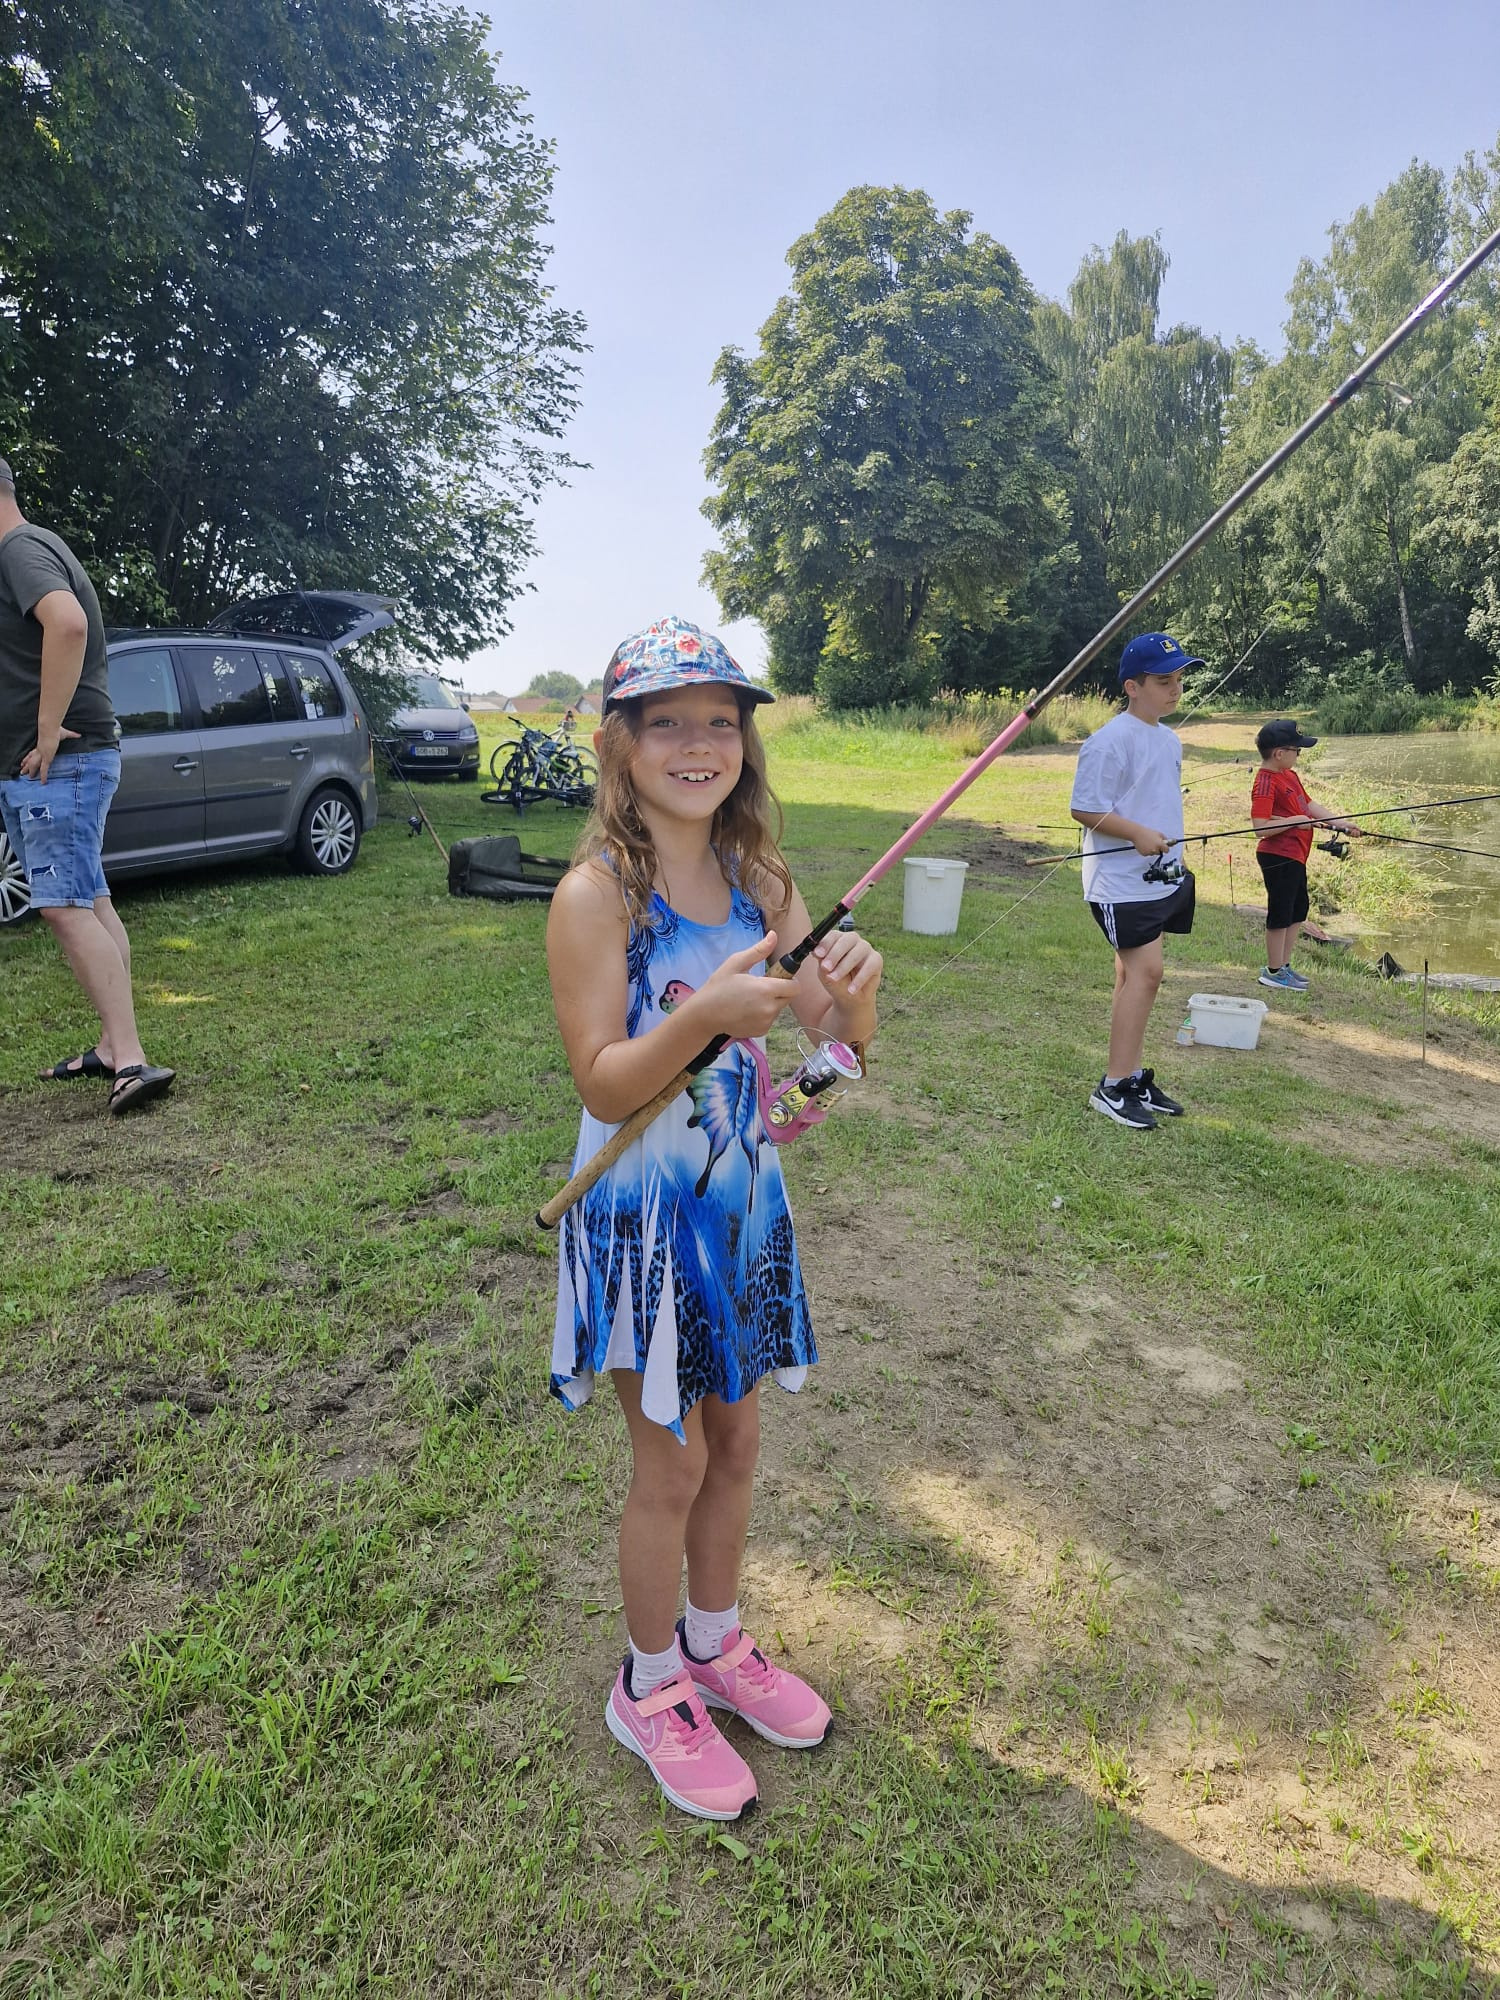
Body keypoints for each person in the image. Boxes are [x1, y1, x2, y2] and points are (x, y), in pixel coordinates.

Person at [546, 614, 882, 1821]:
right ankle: (647, 1686)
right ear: (618, 743)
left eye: (721, 722)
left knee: (737, 1444)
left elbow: (831, 1050)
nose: (699, 744)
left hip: (740, 1198)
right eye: (668, 722)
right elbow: (603, 1081)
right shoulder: (596, 896)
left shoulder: (764, 883)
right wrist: (705, 1016)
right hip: (642, 1217)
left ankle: (714, 1639)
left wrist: (853, 1003)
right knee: (673, 1460)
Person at [0, 456, 174, 1114]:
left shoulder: (17, 549)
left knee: (64, 907)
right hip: (65, 765)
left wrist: (46, 730)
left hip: (60, 764)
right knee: (88, 899)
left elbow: (67, 623)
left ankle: (130, 1059)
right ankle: (112, 1045)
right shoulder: (32, 547)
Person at [1069, 631, 1201, 1132]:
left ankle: (1130, 1076)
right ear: (1132, 687)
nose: (1175, 689)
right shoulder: (1108, 741)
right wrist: (1137, 833)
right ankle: (1113, 1086)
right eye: (1163, 681)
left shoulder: (1168, 738)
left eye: (1179, 679)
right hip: (1119, 885)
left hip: (1161, 879)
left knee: (1131, 977)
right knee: (1148, 974)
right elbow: (1085, 809)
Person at [1250, 718, 1357, 991]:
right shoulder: (1265, 782)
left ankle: (1284, 966)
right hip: (1278, 857)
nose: (1299, 754)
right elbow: (1260, 827)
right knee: (1281, 913)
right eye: (1296, 750)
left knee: (1298, 910)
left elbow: (1309, 806)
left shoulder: (1290, 776)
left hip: (1296, 855)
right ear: (1279, 753)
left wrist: (1342, 824)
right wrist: (1295, 821)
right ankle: (1273, 971)